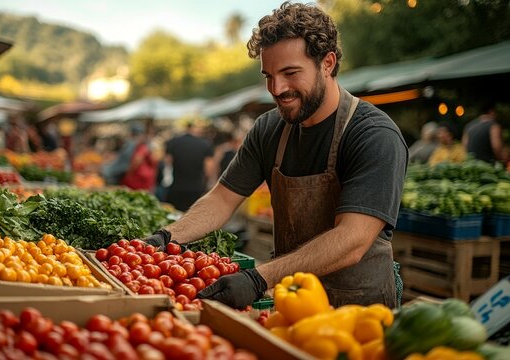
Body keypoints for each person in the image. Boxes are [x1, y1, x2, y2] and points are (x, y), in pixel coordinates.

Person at [142, 2, 408, 309]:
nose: (277, 88)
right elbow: (221, 199)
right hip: (291, 303)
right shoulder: (269, 128)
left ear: (328, 63)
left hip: (359, 313)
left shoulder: (373, 134)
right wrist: (167, 236)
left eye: (290, 73)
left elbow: (353, 240)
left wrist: (259, 278)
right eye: (268, 75)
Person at [164, 121, 215, 212]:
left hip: (176, 186)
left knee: (175, 215)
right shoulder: (205, 144)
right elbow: (209, 169)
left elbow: (167, 162)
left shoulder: (173, 142)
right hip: (196, 188)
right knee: (192, 216)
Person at [121, 122, 157, 191]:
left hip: (139, 179)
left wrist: (129, 173)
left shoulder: (142, 145)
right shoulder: (149, 145)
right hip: (147, 178)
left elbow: (137, 159)